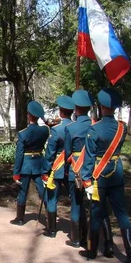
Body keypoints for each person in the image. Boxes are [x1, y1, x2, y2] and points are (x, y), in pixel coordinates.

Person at [81, 88, 131, 263]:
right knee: (122, 214)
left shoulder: (94, 129)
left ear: (102, 106)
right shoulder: (123, 127)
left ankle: (92, 251)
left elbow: (89, 157)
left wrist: (86, 179)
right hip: (116, 173)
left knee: (97, 212)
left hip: (99, 175)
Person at [11, 101, 50, 226]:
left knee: (23, 191)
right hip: (39, 163)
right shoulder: (45, 131)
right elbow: (50, 126)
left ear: (28, 115)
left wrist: (16, 173)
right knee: (43, 192)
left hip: (26, 165)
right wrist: (44, 118)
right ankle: (51, 219)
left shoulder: (23, 133)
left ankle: (20, 219)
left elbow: (19, 155)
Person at [41, 95, 75, 237]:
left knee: (52, 199)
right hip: (72, 168)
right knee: (75, 200)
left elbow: (50, 153)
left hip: (57, 169)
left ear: (61, 111)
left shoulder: (56, 130)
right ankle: (76, 233)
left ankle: (52, 229)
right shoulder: (76, 127)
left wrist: (45, 170)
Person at [64, 89, 93, 248]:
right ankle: (92, 237)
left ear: (76, 108)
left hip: (75, 170)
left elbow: (67, 152)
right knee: (94, 205)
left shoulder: (71, 127)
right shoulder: (95, 124)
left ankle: (76, 238)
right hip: (93, 169)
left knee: (76, 203)